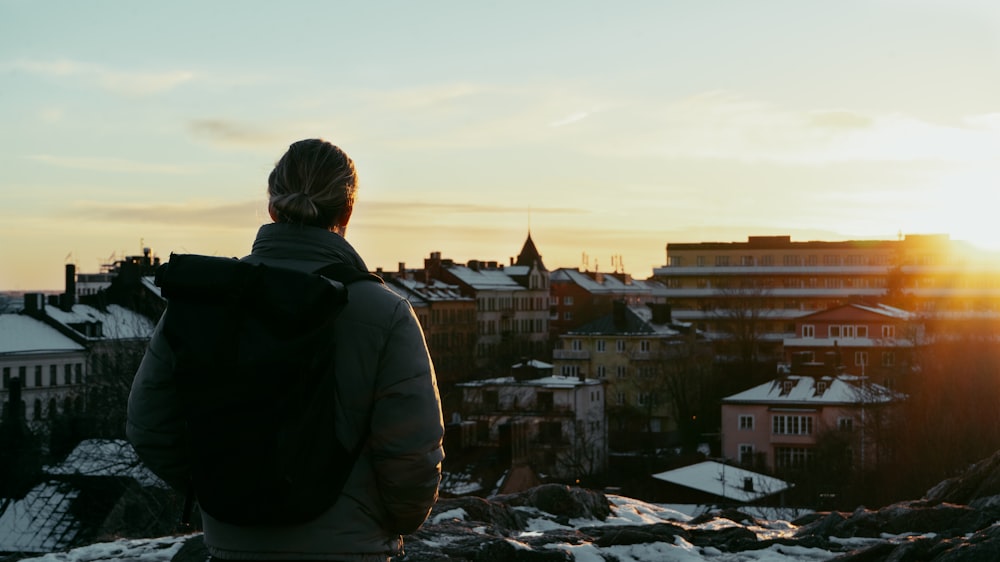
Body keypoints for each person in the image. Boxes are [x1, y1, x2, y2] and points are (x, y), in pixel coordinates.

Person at [127, 139, 445, 562]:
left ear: (272, 206)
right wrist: (390, 521)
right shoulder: (385, 313)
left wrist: (224, 493)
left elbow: (150, 427)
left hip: (233, 547)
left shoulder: (206, 300)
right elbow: (412, 452)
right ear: (347, 211)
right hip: (351, 548)